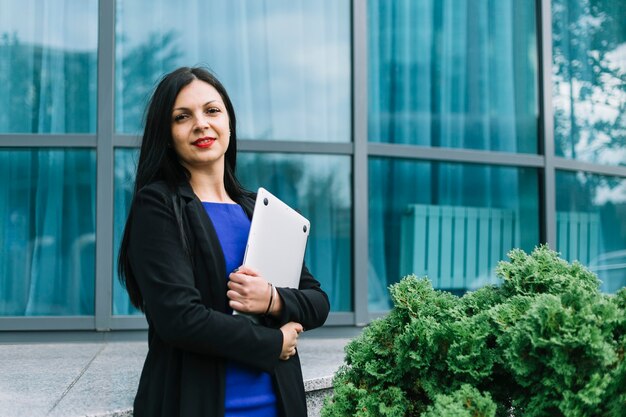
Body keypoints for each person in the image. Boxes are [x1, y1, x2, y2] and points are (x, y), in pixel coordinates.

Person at [117, 66, 330, 417]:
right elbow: (179, 318)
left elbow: (317, 300)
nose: (201, 123)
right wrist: (273, 341)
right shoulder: (158, 205)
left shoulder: (258, 210)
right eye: (182, 117)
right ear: (167, 134)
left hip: (278, 406)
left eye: (212, 111)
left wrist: (273, 300)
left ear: (229, 123)